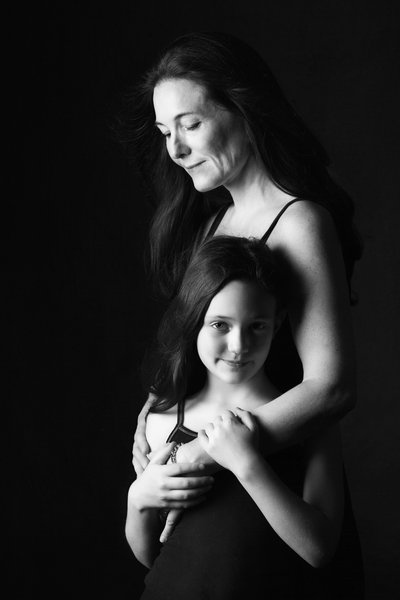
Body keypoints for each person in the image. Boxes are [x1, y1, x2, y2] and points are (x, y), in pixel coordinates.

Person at [118, 30, 363, 579]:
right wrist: (152, 426)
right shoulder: (211, 223)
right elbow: (191, 341)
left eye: (191, 124)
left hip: (273, 497)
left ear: (244, 110)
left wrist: (199, 454)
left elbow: (333, 387)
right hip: (204, 501)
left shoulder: (300, 221)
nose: (175, 150)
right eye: (164, 132)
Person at [125, 236, 361, 599]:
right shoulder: (164, 419)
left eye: (256, 326)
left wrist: (245, 462)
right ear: (194, 321)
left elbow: (319, 548)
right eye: (220, 325)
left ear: (278, 322)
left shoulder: (310, 420)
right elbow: (154, 558)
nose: (238, 346)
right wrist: (137, 501)